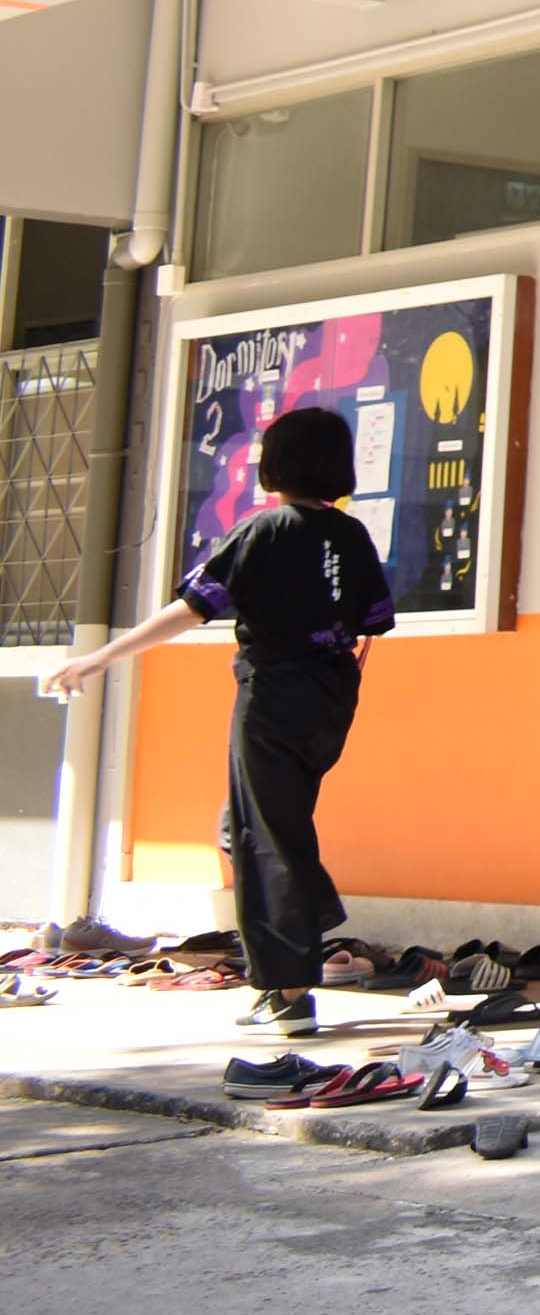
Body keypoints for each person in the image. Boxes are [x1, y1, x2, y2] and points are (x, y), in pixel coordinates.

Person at [49, 403, 392, 1033]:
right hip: (331, 697)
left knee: (268, 840)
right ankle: (314, 921)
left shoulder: (265, 529)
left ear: (278, 462)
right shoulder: (352, 535)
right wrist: (334, 688)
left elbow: (193, 606)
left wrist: (97, 658)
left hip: (272, 696)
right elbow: (372, 625)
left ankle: (290, 993)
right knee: (245, 830)